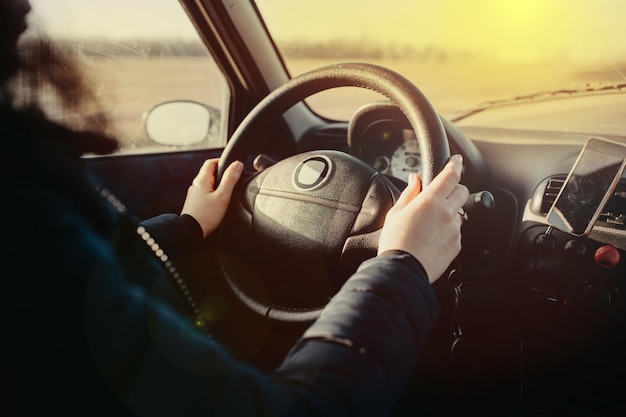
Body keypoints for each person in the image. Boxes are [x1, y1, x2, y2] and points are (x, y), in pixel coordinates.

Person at [1, 0, 469, 415]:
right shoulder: (26, 229)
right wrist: (402, 263)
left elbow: (99, 269)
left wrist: (186, 226)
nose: (25, 10)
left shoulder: (29, 225)